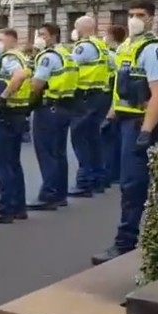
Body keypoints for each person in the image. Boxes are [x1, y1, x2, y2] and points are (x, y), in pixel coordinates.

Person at [92, 1, 158, 266]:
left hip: (142, 123)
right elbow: (123, 88)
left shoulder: (154, 49)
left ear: (152, 19)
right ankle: (134, 240)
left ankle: (127, 242)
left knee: (134, 184)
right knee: (128, 184)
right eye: (131, 15)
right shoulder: (127, 47)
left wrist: (146, 132)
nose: (135, 19)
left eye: (141, 15)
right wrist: (110, 117)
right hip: (126, 121)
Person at [27, 22, 78, 211]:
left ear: (53, 36)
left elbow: (37, 84)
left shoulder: (48, 57)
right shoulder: (65, 53)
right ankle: (60, 194)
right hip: (64, 106)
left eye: (43, 35)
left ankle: (49, 194)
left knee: (47, 153)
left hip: (49, 107)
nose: (39, 38)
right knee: (58, 153)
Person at [0, 29, 30, 224]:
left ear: (12, 40)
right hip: (17, 113)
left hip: (7, 113)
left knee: (3, 163)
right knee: (13, 162)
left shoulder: (9, 58)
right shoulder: (20, 56)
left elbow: (18, 77)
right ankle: (18, 206)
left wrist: (2, 98)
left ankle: (5, 208)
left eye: (1, 39)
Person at [68, 16, 112, 197]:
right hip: (100, 95)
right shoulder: (102, 46)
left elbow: (70, 67)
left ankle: (85, 182)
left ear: (81, 29)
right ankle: (98, 179)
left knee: (80, 138)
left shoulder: (83, 47)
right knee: (94, 138)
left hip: (85, 96)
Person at [100, 25, 127, 186]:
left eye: (106, 35)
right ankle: (115, 171)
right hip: (117, 100)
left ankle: (111, 172)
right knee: (116, 138)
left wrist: (112, 106)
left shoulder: (115, 54)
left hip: (113, 100)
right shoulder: (118, 52)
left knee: (109, 139)